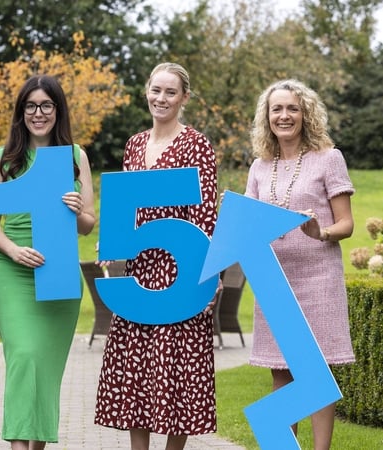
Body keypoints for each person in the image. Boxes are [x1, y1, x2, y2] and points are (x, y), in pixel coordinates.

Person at [94, 62, 219, 450]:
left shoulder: (197, 145)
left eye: (170, 92)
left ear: (183, 98)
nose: (161, 99)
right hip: (140, 273)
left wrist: (206, 279)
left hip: (180, 272)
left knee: (177, 373)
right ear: (146, 91)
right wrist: (112, 243)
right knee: (136, 374)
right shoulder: (134, 144)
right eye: (156, 90)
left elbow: (206, 217)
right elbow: (124, 208)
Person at [0, 74, 96, 450]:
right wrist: (13, 250)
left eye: (46, 105)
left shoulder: (76, 158)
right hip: (13, 275)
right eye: (30, 106)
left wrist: (78, 210)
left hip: (59, 277)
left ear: (58, 110)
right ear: (21, 112)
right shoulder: (5, 158)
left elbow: (87, 226)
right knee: (24, 360)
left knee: (45, 372)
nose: (38, 113)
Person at [244, 78, 355, 450]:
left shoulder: (329, 158)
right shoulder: (260, 167)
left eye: (292, 108)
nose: (284, 115)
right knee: (281, 371)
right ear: (267, 116)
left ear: (305, 113)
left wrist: (319, 232)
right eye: (277, 109)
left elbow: (346, 224)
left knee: (315, 373)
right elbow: (247, 221)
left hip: (317, 278)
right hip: (275, 280)